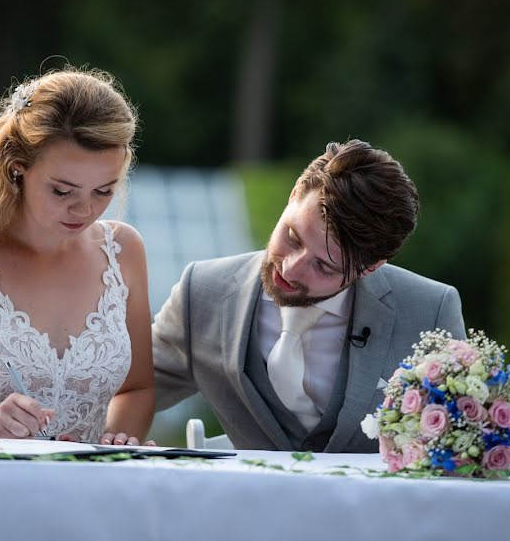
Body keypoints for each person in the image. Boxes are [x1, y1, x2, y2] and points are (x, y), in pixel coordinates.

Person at [152, 140, 466, 452]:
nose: (291, 268)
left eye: (323, 266)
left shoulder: (431, 310)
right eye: (292, 236)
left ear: (369, 268)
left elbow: (459, 442)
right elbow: (131, 385)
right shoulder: (203, 291)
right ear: (293, 196)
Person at [0, 67, 155, 446]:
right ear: (17, 167)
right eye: (62, 191)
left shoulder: (124, 253)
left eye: (104, 191)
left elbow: (136, 389)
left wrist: (114, 441)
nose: (84, 211)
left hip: (90, 493)